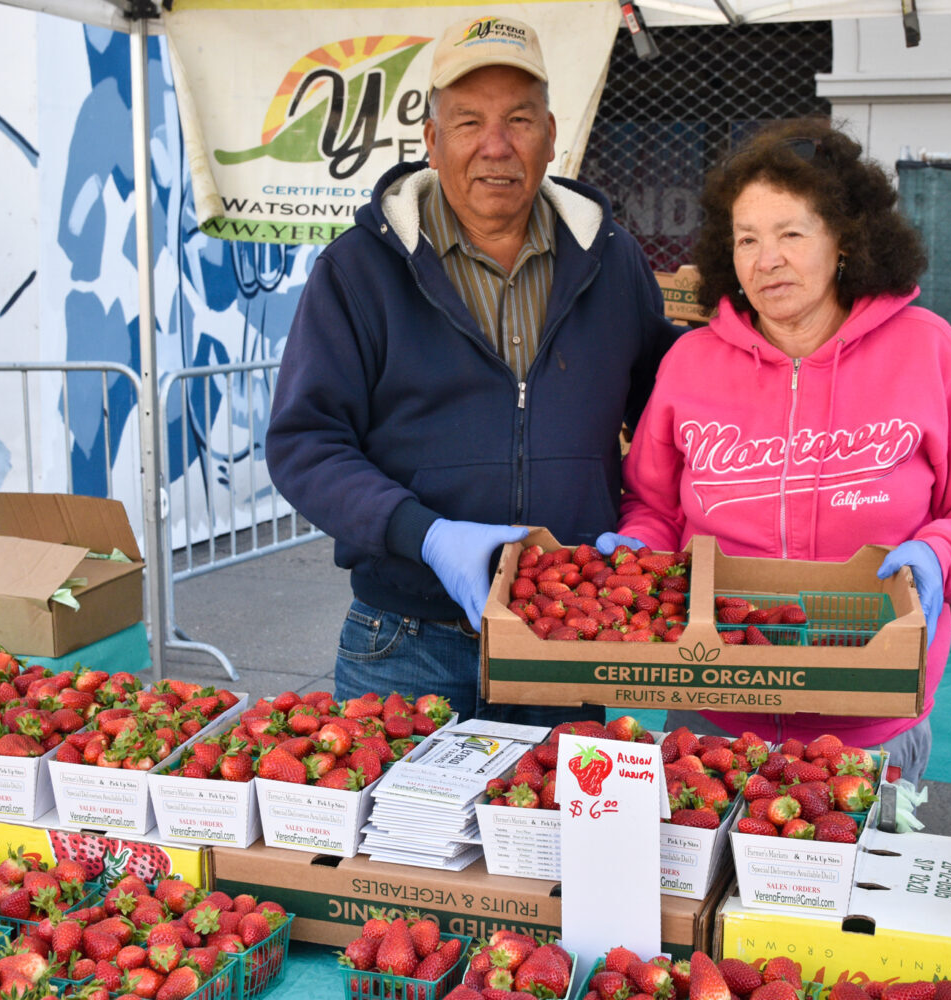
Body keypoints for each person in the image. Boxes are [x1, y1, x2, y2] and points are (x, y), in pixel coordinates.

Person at [265, 14, 678, 723]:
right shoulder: (358, 271)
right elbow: (304, 444)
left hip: (566, 632)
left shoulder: (613, 261)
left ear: (552, 135)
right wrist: (423, 534)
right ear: (430, 140)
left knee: (552, 835)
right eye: (468, 122)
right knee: (397, 838)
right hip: (406, 637)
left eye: (519, 119)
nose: (496, 147)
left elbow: (672, 409)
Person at [606, 123, 951, 784]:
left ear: (845, 238)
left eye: (791, 234)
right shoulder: (690, 362)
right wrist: (639, 552)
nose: (766, 259)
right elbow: (654, 505)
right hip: (710, 723)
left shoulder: (926, 349)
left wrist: (941, 556)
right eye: (747, 239)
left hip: (869, 730)